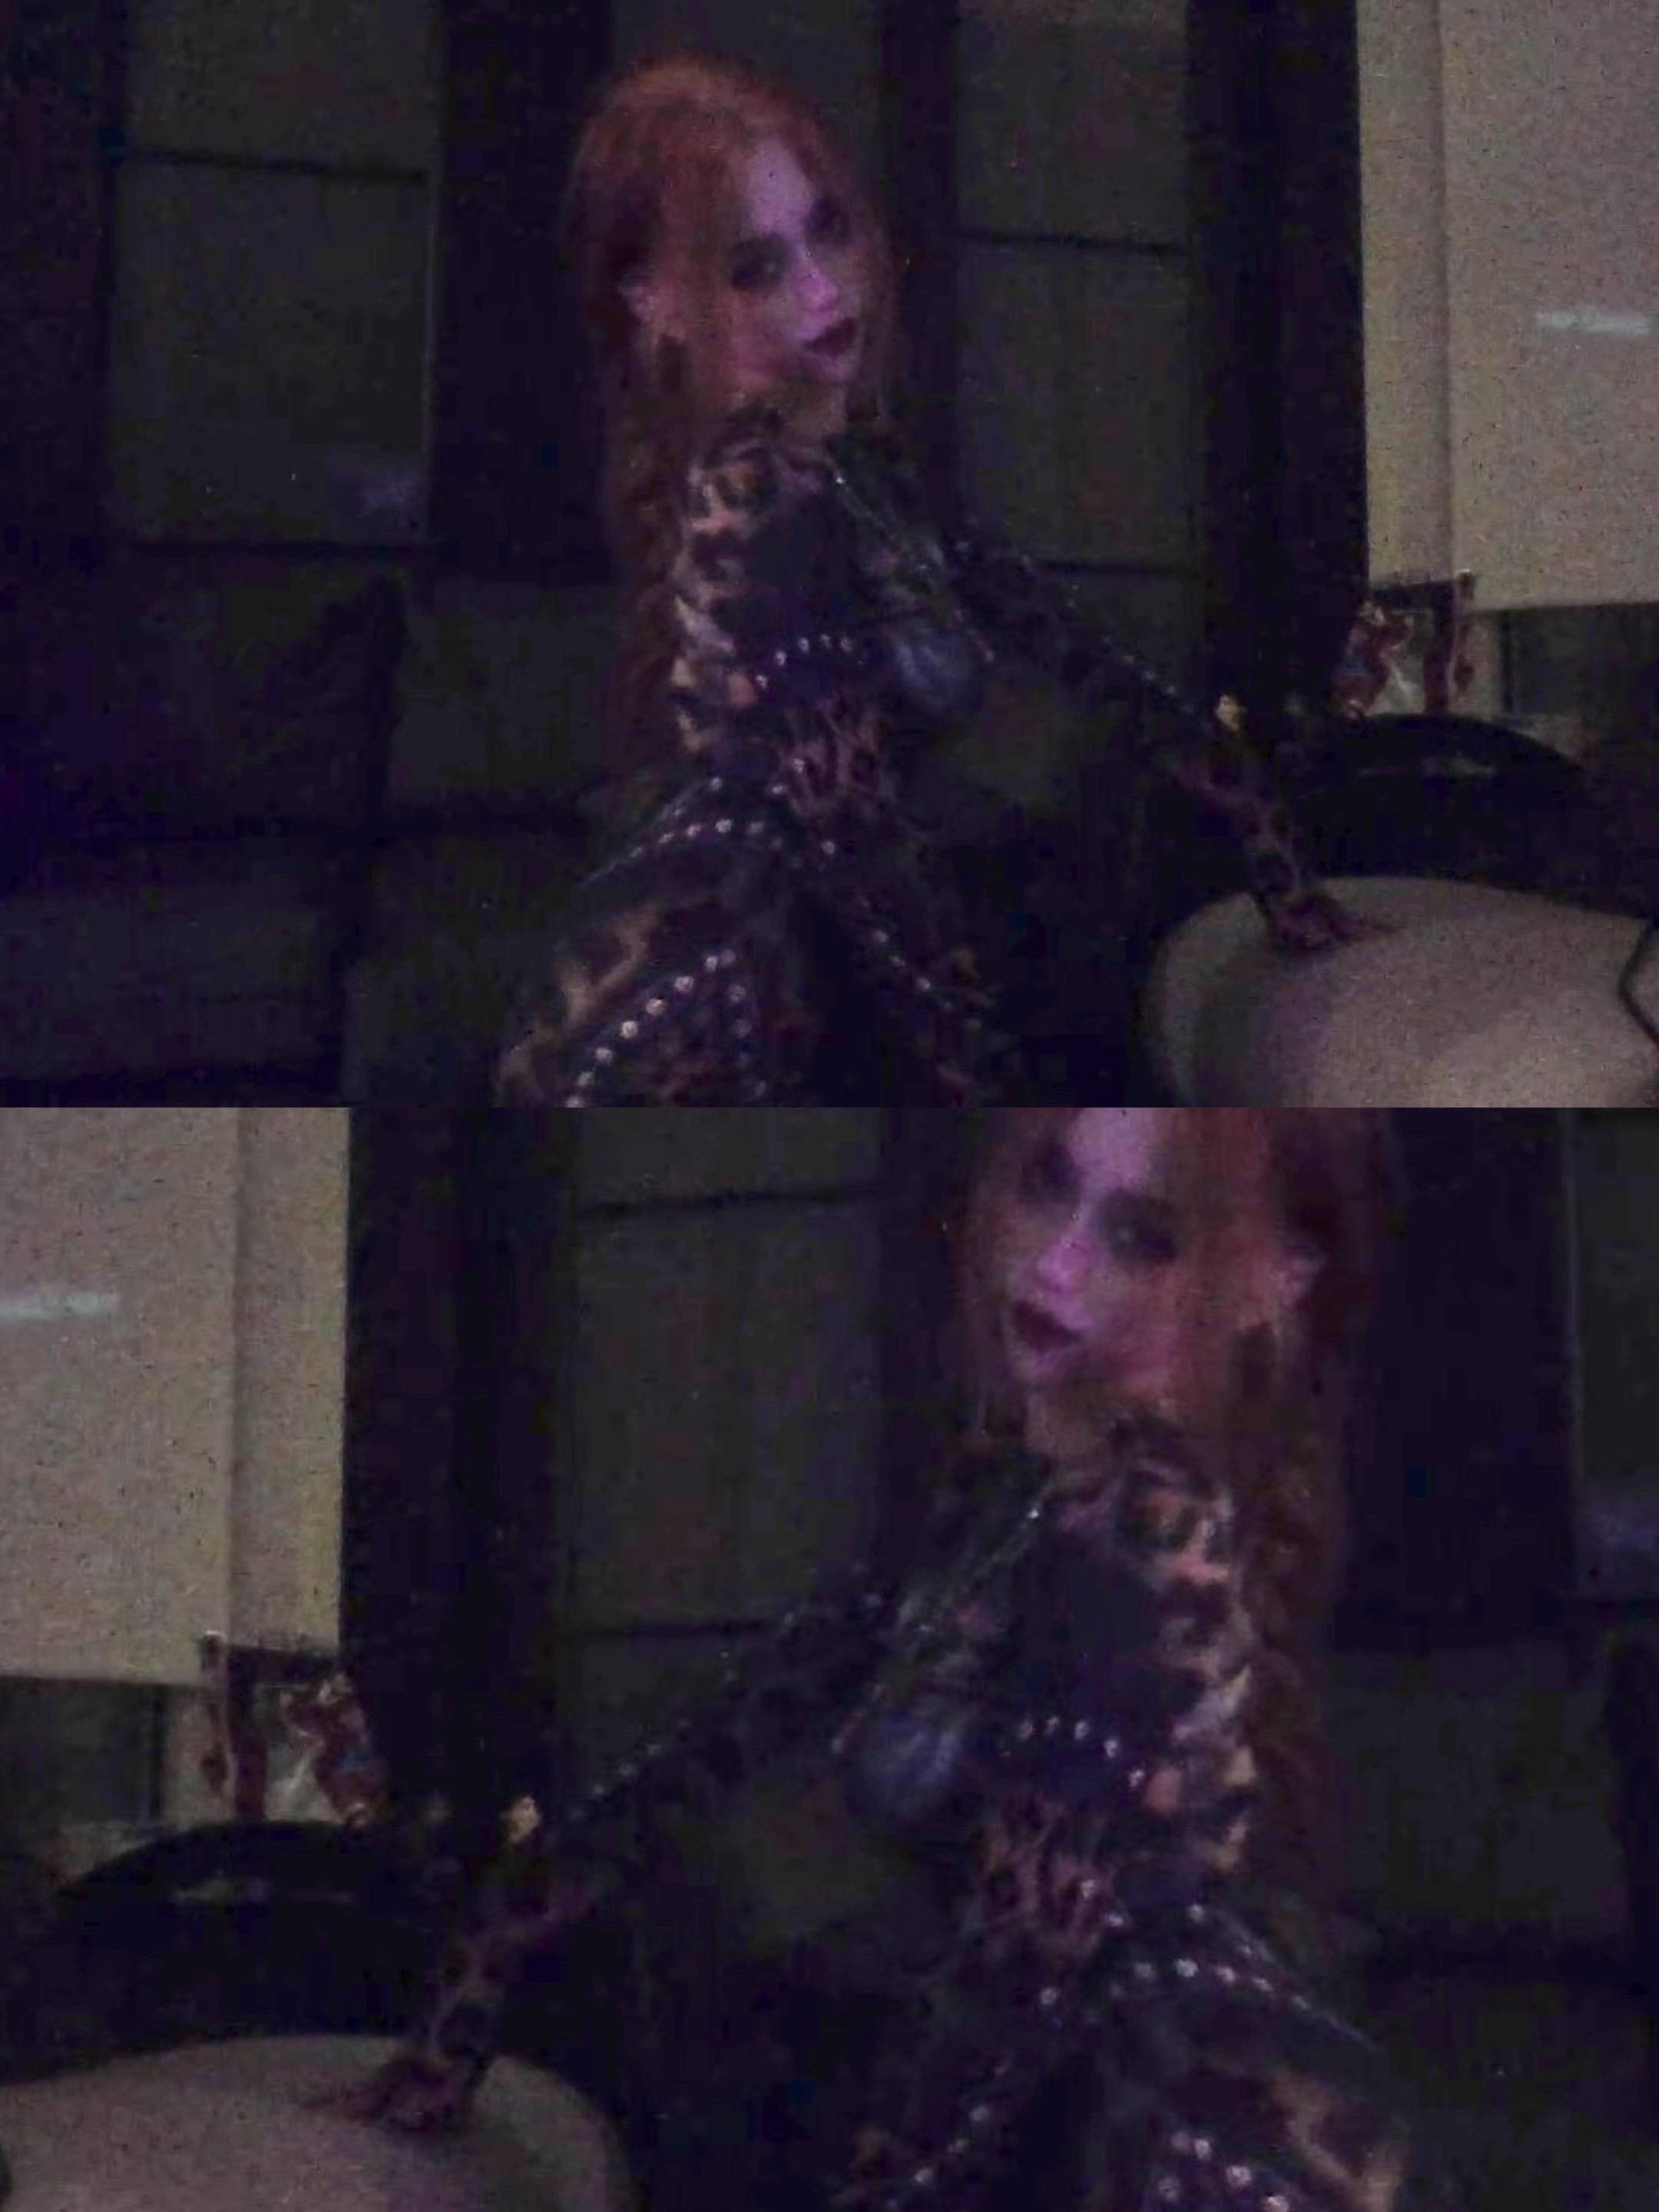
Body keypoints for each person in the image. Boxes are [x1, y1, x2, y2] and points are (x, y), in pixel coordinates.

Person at [323, 1107, 1461, 2212]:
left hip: (1211, 2154)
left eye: (1142, 1236)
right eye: (1048, 1184)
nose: (1056, 1264)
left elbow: (1014, 1974)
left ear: (1272, 1283)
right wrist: (473, 1987)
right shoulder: (1004, 1509)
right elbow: (710, 1748)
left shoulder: (1143, 1538)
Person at [496, 51, 1377, 1106]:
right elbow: (867, 855)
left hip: (781, 999)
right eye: (757, 267)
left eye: (826, 228)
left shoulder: (857, 473)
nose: (824, 289)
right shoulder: (758, 502)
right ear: (660, 305)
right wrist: (986, 1081)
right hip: (689, 1021)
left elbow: (1087, 657)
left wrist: (1272, 853)